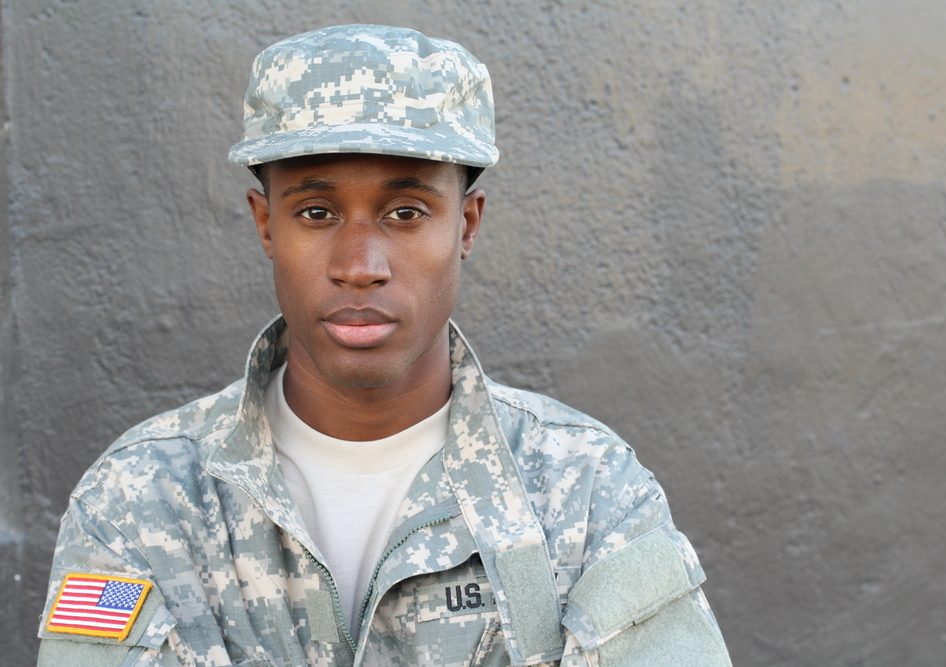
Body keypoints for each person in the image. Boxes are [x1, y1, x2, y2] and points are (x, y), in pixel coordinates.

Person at [37, 24, 732, 666]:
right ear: (266, 225)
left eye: (406, 212)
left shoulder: (586, 493)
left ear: (466, 224)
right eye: (316, 212)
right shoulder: (140, 501)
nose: (360, 262)